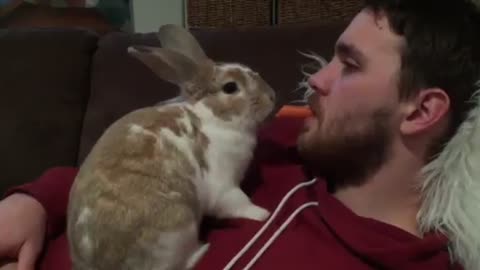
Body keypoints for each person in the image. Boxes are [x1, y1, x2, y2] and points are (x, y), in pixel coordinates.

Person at [2, 0, 480, 269]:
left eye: (349, 65)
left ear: (421, 110)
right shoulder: (285, 149)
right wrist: (35, 202)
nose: (317, 79)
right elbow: (135, 165)